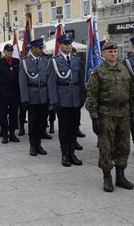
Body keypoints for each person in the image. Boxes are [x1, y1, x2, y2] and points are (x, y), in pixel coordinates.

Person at [86, 40, 134, 192]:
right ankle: (107, 176)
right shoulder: (98, 71)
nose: (113, 54)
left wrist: (133, 112)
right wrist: (94, 118)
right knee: (106, 147)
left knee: (123, 145)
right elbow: (92, 96)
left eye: (115, 51)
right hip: (106, 114)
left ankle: (120, 176)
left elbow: (131, 93)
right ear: (103, 54)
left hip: (124, 114)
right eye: (110, 52)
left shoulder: (123, 69)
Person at [48, 34, 85, 167]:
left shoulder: (76, 60)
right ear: (60, 45)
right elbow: (51, 82)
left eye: (70, 43)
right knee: (64, 128)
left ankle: (72, 153)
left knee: (74, 127)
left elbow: (81, 79)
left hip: (75, 98)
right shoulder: (54, 61)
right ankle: (65, 154)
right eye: (65, 44)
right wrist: (54, 101)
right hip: (62, 99)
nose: (68, 46)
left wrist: (82, 96)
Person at [19, 38, 49, 156]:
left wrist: (49, 97)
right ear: (33, 48)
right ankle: (32, 145)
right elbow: (22, 82)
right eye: (39, 48)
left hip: (43, 95)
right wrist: (24, 99)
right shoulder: (25, 62)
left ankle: (39, 144)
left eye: (42, 48)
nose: (41, 50)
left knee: (42, 122)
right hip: (32, 96)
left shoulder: (45, 61)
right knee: (33, 122)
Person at [0, 44, 20, 144]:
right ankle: (4, 134)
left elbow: (19, 78)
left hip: (14, 92)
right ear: (4, 52)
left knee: (13, 114)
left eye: (11, 50)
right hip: (3, 92)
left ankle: (12, 134)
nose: (10, 52)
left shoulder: (17, 62)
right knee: (2, 115)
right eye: (8, 50)